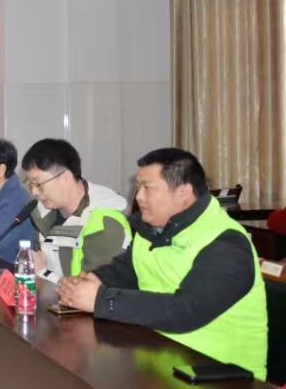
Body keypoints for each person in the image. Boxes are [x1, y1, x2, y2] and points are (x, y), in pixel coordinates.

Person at [58, 148, 268, 381]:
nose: (138, 197)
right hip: (158, 358)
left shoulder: (226, 243)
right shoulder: (153, 229)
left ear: (184, 192)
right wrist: (91, 281)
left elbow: (187, 311)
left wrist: (102, 300)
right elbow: (127, 270)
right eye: (138, 187)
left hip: (218, 376)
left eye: (148, 188)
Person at [20, 139, 130, 284]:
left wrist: (43, 273)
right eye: (30, 184)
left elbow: (92, 291)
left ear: (65, 178)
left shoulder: (105, 222)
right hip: (48, 296)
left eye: (39, 184)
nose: (34, 192)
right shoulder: (43, 212)